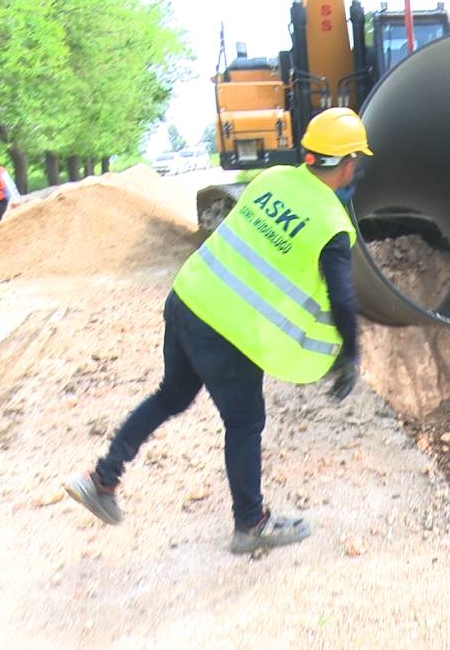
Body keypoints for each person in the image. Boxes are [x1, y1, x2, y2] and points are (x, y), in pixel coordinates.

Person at [65, 108, 371, 554]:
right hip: (228, 328)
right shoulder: (332, 226)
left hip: (188, 298)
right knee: (245, 422)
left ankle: (102, 479)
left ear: (308, 154)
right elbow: (342, 298)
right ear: (347, 164)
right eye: (355, 160)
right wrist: (350, 354)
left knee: (170, 395)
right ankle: (251, 525)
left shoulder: (271, 179)